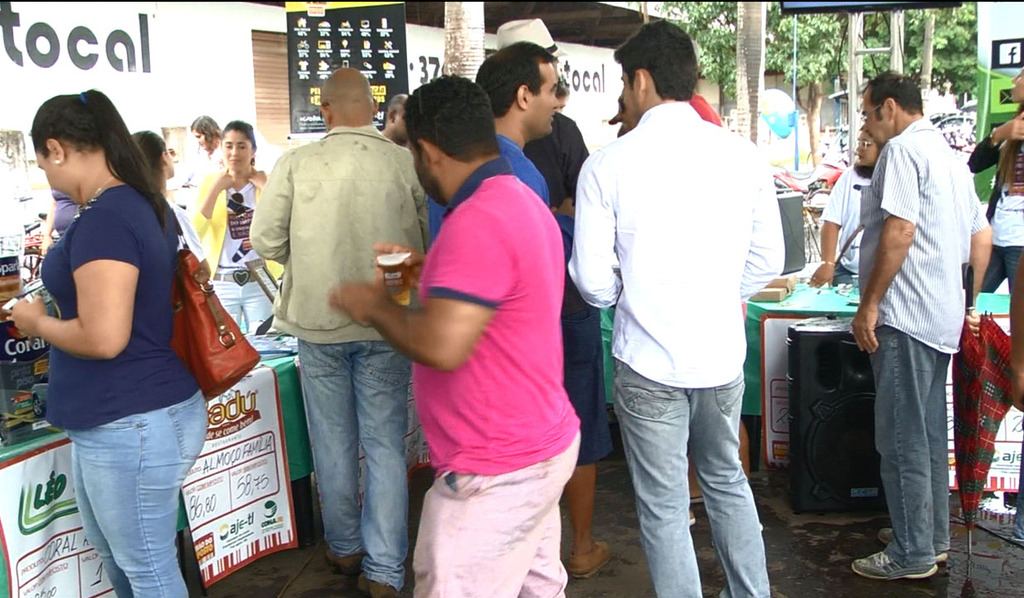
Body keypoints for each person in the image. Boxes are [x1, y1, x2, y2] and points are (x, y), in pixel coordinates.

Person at [330, 75, 580, 598]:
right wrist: (435, 275)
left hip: (495, 470)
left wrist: (373, 305)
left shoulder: (477, 220)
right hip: (537, 448)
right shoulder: (520, 197)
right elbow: (506, 302)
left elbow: (443, 345)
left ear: (426, 151)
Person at [570, 21, 781, 598]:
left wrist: (628, 294)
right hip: (719, 358)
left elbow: (590, 279)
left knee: (664, 508)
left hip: (647, 362)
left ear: (641, 80)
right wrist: (715, 291)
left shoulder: (607, 165)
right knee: (728, 483)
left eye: (623, 82)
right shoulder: (742, 156)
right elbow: (769, 260)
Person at [9, 89, 205, 598]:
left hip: (131, 420)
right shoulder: (136, 204)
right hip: (132, 416)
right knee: (124, 561)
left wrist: (34, 322)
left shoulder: (106, 218)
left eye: (42, 162)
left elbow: (104, 336)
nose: (46, 178)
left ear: (56, 149)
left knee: (148, 571)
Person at [250, 68, 427, 598]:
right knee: (384, 445)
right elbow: (423, 240)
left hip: (317, 322)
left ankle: (345, 547)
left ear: (325, 110)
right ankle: (387, 572)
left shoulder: (298, 163)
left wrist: (308, 261)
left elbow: (264, 239)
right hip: (386, 324)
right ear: (373, 109)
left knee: (332, 440)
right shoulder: (403, 163)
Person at [851, 72, 992, 581]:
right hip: (941, 315)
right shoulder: (951, 157)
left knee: (902, 435)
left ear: (889, 108)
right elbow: (981, 233)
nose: (866, 124)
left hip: (907, 317)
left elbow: (901, 228)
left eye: (868, 113)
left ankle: (911, 553)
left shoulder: (903, 153)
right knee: (928, 433)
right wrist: (966, 296)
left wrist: (870, 304)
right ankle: (928, 537)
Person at [192, 120, 281, 333]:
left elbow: (285, 224)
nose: (234, 152)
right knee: (228, 348)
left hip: (260, 279)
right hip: (222, 281)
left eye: (242, 146)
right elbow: (195, 231)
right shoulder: (209, 182)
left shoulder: (267, 182)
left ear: (253, 150)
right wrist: (215, 190)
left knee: (266, 343)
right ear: (221, 149)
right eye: (229, 145)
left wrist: (265, 187)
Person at [969, 67, 1024, 293]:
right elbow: (975, 164)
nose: (1014, 80)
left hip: (1020, 243)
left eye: (1020, 76)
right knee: (972, 300)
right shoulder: (1014, 124)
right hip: (997, 234)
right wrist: (999, 134)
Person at [809, 128, 880, 287]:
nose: (859, 149)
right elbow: (831, 223)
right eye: (859, 143)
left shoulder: (895, 178)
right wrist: (827, 263)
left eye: (866, 144)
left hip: (882, 275)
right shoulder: (849, 177)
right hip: (848, 272)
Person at [132, 130, 206, 266]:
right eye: (170, 153)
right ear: (163, 157)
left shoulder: (129, 211)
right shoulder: (173, 213)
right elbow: (200, 268)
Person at [39, 189, 77, 255]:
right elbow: (54, 206)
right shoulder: (57, 182)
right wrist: (47, 235)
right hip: (63, 237)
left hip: (78, 234)